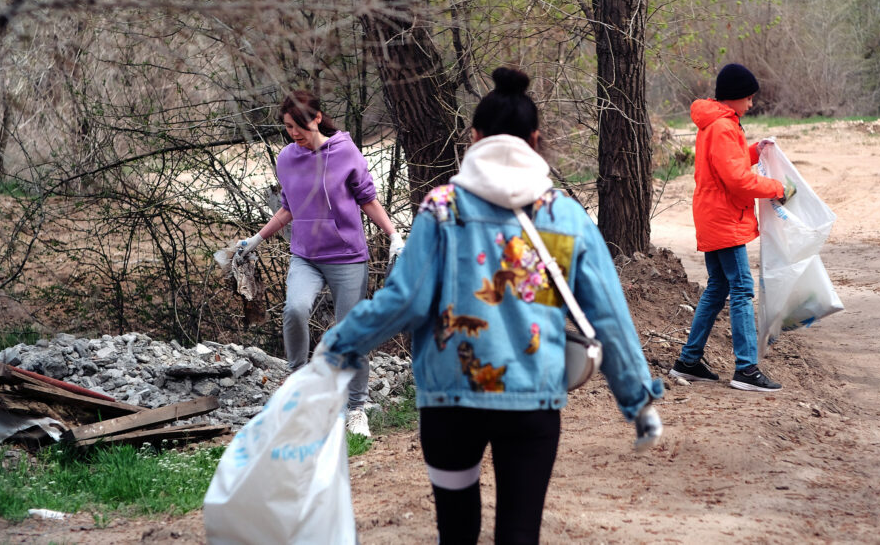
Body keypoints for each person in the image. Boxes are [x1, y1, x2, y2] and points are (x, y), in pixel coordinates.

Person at [321, 67, 664, 544]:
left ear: (474, 138)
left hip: (449, 402)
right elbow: (607, 313)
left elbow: (406, 301)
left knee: (457, 533)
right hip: (532, 402)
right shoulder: (563, 215)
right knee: (519, 534)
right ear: (536, 140)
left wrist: (341, 345)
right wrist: (637, 400)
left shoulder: (441, 209)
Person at [233, 90, 403, 438]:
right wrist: (256, 240)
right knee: (294, 310)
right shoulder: (287, 159)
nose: (293, 133)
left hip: (347, 257)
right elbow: (289, 208)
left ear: (316, 118)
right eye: (287, 127)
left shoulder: (345, 153)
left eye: (298, 126)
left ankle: (356, 408)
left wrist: (394, 234)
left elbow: (367, 199)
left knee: (350, 331)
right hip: (306, 257)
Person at [668, 63, 795, 392]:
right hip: (724, 219)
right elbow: (737, 180)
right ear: (734, 98)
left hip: (714, 216)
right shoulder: (723, 126)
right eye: (748, 98)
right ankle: (746, 368)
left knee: (718, 288)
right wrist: (777, 189)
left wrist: (757, 150)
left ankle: (689, 361)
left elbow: (730, 163)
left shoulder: (716, 123)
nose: (751, 104)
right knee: (741, 288)